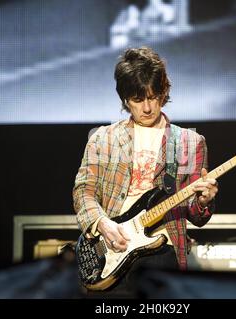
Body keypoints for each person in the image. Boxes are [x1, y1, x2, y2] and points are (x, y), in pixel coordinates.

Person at [73, 47, 218, 293]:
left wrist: (203, 201)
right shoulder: (103, 138)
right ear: (125, 100)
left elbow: (196, 215)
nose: (148, 108)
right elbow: (83, 192)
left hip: (163, 250)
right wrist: (102, 224)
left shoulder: (189, 142)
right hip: (113, 246)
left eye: (153, 97)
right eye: (138, 100)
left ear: (164, 93)